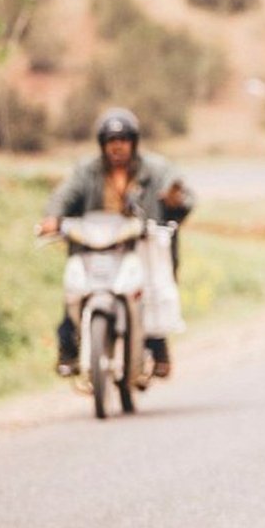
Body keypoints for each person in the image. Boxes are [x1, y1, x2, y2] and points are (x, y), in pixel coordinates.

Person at [39, 108, 195, 376]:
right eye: (111, 140)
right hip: (95, 246)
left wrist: (175, 199)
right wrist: (52, 218)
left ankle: (156, 346)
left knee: (150, 289)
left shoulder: (155, 169)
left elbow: (181, 193)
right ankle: (69, 349)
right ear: (102, 144)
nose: (117, 146)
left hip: (138, 246)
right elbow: (63, 195)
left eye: (123, 140)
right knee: (77, 288)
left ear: (134, 142)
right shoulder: (87, 171)